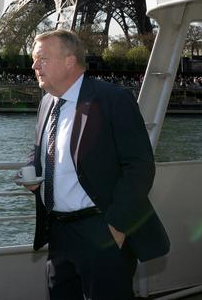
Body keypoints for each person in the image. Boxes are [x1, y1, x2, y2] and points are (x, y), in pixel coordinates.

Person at [24, 29, 170, 299]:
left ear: (69, 61)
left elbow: (140, 167)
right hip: (58, 232)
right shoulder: (46, 103)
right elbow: (45, 151)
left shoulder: (112, 99)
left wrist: (116, 225)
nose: (34, 65)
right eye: (34, 59)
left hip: (101, 228)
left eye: (42, 58)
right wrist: (31, 171)